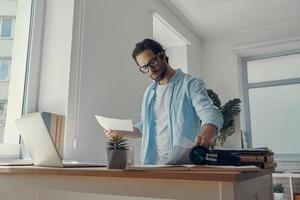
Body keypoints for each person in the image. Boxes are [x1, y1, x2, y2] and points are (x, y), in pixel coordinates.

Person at [105, 39, 223, 165]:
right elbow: (146, 126)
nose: (150, 70)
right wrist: (120, 132)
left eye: (152, 62)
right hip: (151, 165)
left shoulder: (190, 84)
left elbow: (210, 112)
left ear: (162, 56)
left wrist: (205, 134)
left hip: (182, 165)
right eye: (144, 67)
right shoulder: (149, 92)